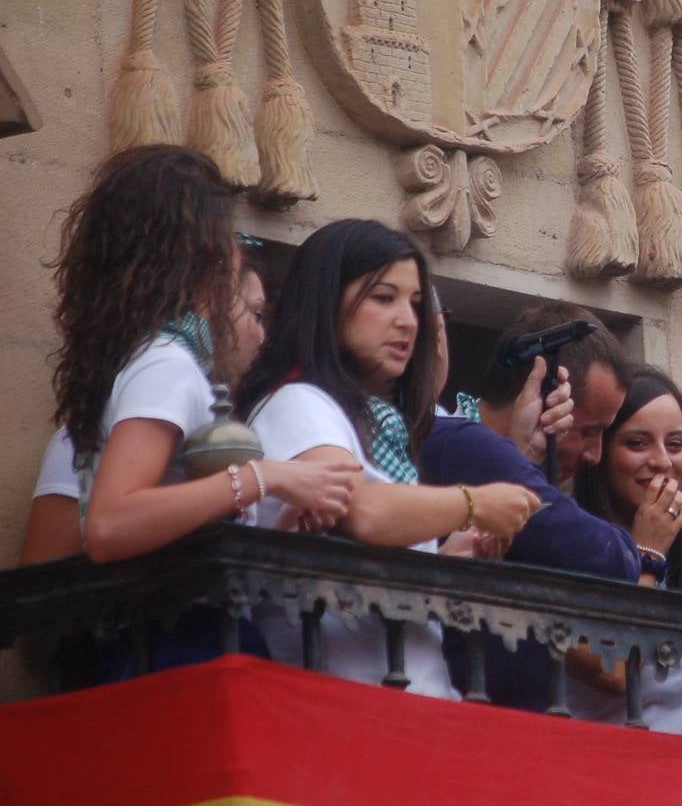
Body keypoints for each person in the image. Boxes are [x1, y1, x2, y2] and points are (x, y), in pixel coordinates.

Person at [48, 145, 353, 677]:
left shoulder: (156, 358)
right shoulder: (167, 362)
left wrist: (280, 508)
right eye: (225, 236)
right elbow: (112, 523)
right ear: (195, 252)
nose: (236, 253)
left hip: (174, 641)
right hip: (176, 649)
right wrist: (266, 475)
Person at [237, 218, 540, 698]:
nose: (408, 321)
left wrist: (445, 556)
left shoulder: (365, 421)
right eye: (383, 298)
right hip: (340, 715)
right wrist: (475, 503)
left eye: (416, 304)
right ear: (326, 302)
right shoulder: (298, 402)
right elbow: (365, 512)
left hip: (395, 712)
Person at [420, 302, 643, 710]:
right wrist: (645, 549)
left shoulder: (495, 458)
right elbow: (607, 559)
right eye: (589, 430)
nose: (596, 454)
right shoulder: (454, 440)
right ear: (543, 398)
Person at [21, 249, 271, 567]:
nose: (262, 336)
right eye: (256, 314)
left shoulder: (186, 385)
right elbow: (45, 581)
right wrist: (262, 478)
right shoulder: (165, 364)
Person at [569, 366, 682, 732]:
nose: (662, 460)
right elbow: (614, 671)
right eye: (638, 443)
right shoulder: (569, 544)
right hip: (599, 766)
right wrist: (649, 555)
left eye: (675, 444)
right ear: (601, 454)